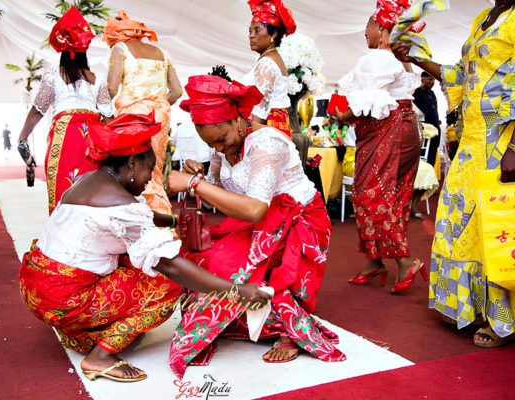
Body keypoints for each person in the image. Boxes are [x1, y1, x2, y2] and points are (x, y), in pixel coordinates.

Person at [19, 112, 270, 383]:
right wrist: (237, 291)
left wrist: (174, 219)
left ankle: (77, 332)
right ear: (132, 163)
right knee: (166, 283)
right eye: (149, 169)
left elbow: (141, 216)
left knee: (134, 264)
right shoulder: (121, 205)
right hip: (64, 299)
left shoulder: (88, 182)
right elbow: (170, 265)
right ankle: (100, 357)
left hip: (36, 285)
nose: (150, 179)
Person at [165, 75, 346, 379]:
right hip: (264, 220)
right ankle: (241, 319)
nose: (218, 147)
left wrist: (194, 184)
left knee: (226, 262)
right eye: (211, 144)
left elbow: (253, 208)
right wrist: (201, 177)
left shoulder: (267, 142)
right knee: (202, 255)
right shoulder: (222, 147)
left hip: (298, 221)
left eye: (221, 139)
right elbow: (223, 197)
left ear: (238, 119)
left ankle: (287, 328)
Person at [392, 0, 515, 346]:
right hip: (472, 142)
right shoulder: (483, 18)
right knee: (459, 224)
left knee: (495, 228)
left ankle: (502, 320)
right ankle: (471, 305)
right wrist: (417, 58)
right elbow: (461, 75)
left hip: (501, 138)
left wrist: (514, 148)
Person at [334, 0, 425, 293]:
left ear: (382, 28)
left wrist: (341, 116)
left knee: (368, 195)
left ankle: (404, 259)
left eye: (369, 25)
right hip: (408, 128)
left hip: (388, 129)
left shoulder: (377, 58)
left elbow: (362, 104)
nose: (365, 31)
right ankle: (375, 260)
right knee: (394, 199)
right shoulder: (401, 58)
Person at [17, 7, 113, 214]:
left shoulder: (53, 76)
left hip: (65, 136)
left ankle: (61, 238)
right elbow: (108, 117)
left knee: (63, 190)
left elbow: (38, 110)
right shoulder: (97, 79)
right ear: (84, 51)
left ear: (62, 50)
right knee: (91, 193)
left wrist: (23, 137)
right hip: (92, 142)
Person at [103, 10, 182, 215]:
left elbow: (111, 89)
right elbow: (177, 91)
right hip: (159, 116)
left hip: (133, 116)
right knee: (153, 170)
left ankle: (137, 219)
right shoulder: (163, 54)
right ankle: (160, 217)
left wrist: (101, 114)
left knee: (131, 170)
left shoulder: (120, 49)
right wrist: (158, 105)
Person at [241, 0, 295, 138]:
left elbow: (261, 105)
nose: (251, 35)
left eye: (257, 30)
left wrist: (249, 135)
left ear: (273, 34)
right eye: (250, 31)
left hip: (266, 126)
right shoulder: (271, 57)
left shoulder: (266, 62)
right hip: (275, 123)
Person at [413, 71, 441, 165]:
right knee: (423, 157)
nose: (432, 82)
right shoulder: (416, 93)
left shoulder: (432, 94)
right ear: (422, 79)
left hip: (436, 129)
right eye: (430, 79)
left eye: (433, 80)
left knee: (432, 155)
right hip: (425, 131)